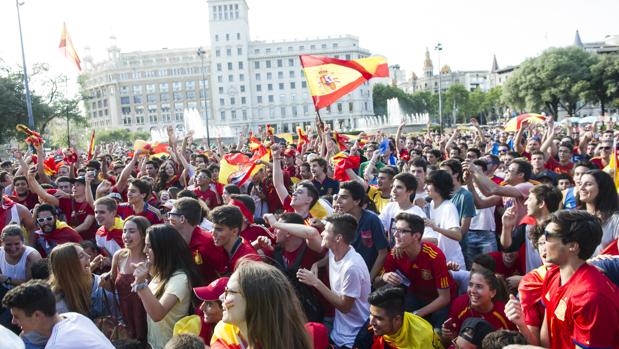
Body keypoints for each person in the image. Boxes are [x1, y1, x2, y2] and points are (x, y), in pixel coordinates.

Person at [540, 210, 619, 348]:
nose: (543, 241)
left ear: (573, 246)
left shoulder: (591, 297)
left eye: (548, 236)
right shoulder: (553, 274)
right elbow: (547, 336)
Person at [297, 213, 371, 349]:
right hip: (338, 332)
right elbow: (328, 258)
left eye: (326, 230)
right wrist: (317, 264)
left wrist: (316, 282)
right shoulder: (335, 250)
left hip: (352, 339)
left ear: (338, 238)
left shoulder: (352, 267)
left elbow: (344, 307)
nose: (322, 233)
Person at [211, 259, 313, 349]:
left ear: (255, 300)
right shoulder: (224, 334)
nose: (221, 297)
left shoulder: (311, 335)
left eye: (230, 291)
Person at [132, 224, 202, 349]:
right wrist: (139, 281)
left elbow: (157, 314)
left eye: (149, 246)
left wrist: (142, 284)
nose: (144, 250)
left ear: (162, 248)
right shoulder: (160, 273)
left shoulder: (180, 279)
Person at [381, 212, 455, 328]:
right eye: (395, 229)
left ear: (416, 236)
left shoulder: (434, 256)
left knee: (437, 333)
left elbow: (444, 298)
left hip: (439, 301)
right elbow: (377, 282)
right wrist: (385, 276)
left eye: (402, 231)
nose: (395, 234)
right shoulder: (395, 253)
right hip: (415, 296)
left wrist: (416, 314)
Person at [2, 279, 114, 349]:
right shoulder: (74, 317)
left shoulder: (57, 345)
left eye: (17, 317)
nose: (13, 321)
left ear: (37, 315)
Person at [100, 216, 150, 344]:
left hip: (147, 315)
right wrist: (104, 282)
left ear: (144, 234)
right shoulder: (119, 256)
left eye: (132, 231)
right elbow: (113, 286)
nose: (126, 235)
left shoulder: (150, 258)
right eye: (124, 231)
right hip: (125, 315)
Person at [442, 268, 514, 346]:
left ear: (492, 293)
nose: (472, 290)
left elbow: (514, 344)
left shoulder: (506, 313)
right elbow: (452, 341)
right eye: (470, 285)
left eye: (479, 287)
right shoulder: (459, 304)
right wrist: (447, 336)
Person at [333, 181, 388, 281]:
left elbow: (383, 253)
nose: (338, 201)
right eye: (338, 197)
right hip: (345, 276)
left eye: (344, 197)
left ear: (357, 201)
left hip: (366, 277)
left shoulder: (371, 220)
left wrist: (369, 279)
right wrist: (317, 264)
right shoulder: (338, 220)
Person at [167, 197, 227, 283]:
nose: (168, 218)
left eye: (171, 214)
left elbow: (222, 274)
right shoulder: (171, 240)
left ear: (182, 219)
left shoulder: (208, 243)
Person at [48, 243, 115, 319]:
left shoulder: (102, 283)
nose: (89, 257)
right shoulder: (58, 305)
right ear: (69, 267)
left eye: (85, 253)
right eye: (81, 256)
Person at [366, 285, 443, 349]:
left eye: (379, 318)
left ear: (397, 319)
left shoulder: (421, 341)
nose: (371, 322)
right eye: (371, 314)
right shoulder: (375, 326)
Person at [424, 170, 465, 268]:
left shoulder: (448, 207)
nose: (425, 187)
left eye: (429, 184)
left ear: (439, 187)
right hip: (440, 261)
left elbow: (458, 235)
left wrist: (436, 228)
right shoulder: (431, 204)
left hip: (453, 263)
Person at [209, 205, 260, 275]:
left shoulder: (248, 261)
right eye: (213, 228)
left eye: (219, 230)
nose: (213, 234)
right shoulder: (223, 246)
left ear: (234, 231)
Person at [577, 170, 619, 253]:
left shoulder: (615, 220)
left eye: (588, 184)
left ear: (602, 188)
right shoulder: (575, 217)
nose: (581, 188)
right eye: (580, 184)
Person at [193, 277, 227, 344]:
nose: (201, 307)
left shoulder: (237, 335)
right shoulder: (196, 326)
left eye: (209, 304)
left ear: (225, 308)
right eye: (203, 301)